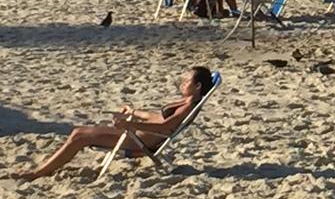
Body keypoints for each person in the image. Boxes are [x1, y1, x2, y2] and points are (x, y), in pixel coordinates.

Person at [13, 67, 217, 180]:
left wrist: (130, 127)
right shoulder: (185, 102)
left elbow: (164, 128)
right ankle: (45, 168)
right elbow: (158, 118)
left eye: (186, 81)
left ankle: (39, 172)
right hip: (134, 135)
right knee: (79, 132)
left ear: (197, 86)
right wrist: (133, 112)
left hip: (136, 141)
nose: (182, 84)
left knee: (79, 136)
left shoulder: (189, 107)